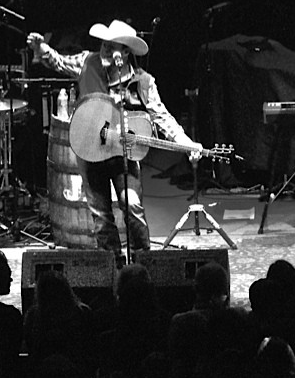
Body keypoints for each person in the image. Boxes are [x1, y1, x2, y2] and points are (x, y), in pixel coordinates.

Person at [28, 19, 200, 261]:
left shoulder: (143, 81)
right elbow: (58, 62)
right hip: (89, 149)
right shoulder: (87, 61)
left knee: (131, 204)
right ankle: (113, 266)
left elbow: (161, 116)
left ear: (126, 51)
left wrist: (185, 142)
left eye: (112, 47)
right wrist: (42, 49)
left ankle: (144, 260)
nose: (106, 50)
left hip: (123, 154)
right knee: (100, 214)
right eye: (104, 45)